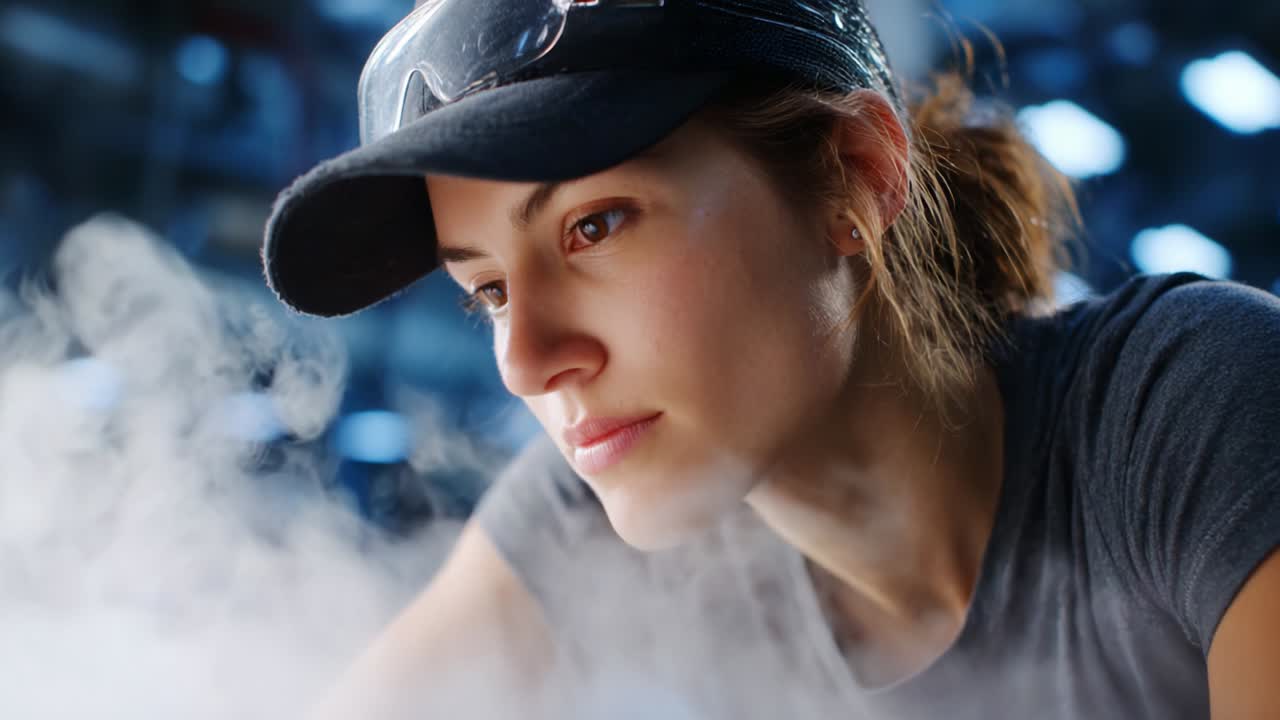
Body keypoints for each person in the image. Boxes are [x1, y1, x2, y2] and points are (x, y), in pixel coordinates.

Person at [261, 0, 1280, 717]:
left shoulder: (1192, 411)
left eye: (595, 226)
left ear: (854, 176)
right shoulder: (587, 520)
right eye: (485, 288)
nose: (525, 360)